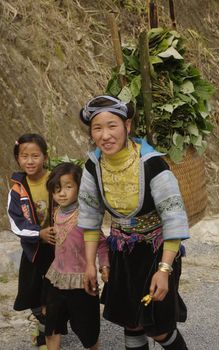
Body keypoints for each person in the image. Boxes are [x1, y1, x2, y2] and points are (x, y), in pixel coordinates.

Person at [78, 95, 190, 350]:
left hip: (156, 252)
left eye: (112, 126)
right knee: (131, 322)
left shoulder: (153, 164)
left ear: (127, 126)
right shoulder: (92, 167)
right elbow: (90, 218)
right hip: (122, 253)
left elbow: (173, 218)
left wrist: (164, 270)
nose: (105, 135)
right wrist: (89, 265)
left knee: (159, 328)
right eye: (97, 128)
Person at [44, 162, 109, 350]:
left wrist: (105, 267)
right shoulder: (56, 212)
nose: (61, 193)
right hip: (56, 279)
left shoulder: (85, 216)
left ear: (80, 188)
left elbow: (102, 243)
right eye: (56, 189)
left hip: (82, 282)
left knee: (88, 329)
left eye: (68, 187)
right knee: (52, 327)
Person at [7, 133, 55, 350]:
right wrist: (39, 234)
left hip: (58, 250)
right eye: (24, 156)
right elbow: (15, 223)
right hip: (33, 251)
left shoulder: (57, 179)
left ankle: (47, 335)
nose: (30, 161)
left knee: (52, 294)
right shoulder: (17, 189)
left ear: (45, 157)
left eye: (35, 155)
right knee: (32, 295)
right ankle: (43, 322)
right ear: (18, 159)